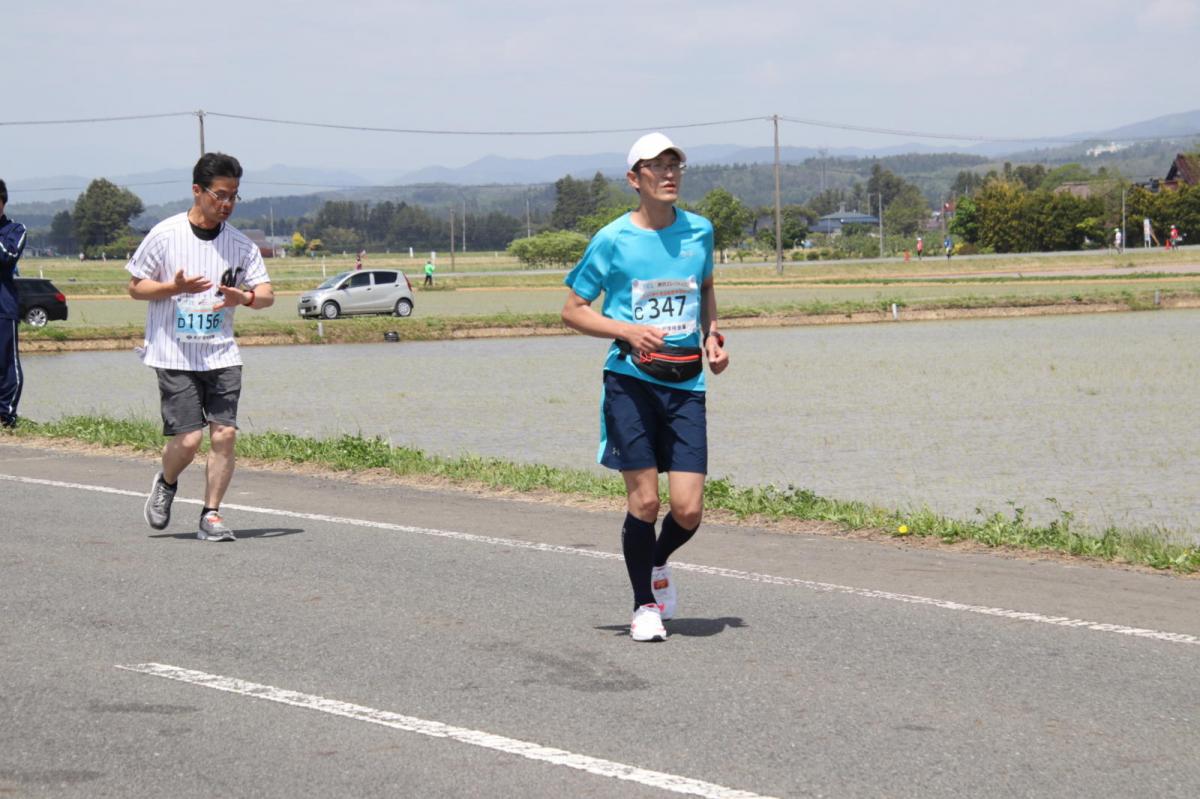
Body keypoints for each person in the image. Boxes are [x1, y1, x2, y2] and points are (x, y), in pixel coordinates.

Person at [561, 132, 729, 643]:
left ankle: (656, 562)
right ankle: (643, 605)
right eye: (656, 167)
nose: (669, 174)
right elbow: (572, 310)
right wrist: (627, 330)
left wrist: (713, 336)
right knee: (645, 504)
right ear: (635, 179)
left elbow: (704, 289)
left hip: (687, 383)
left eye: (675, 165)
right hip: (630, 382)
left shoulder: (700, 231)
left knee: (688, 509)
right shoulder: (613, 239)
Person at [127, 153, 274, 541]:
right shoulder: (165, 234)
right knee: (189, 441)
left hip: (221, 352)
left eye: (233, 196)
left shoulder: (241, 245)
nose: (226, 204)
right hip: (174, 352)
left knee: (224, 434)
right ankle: (167, 481)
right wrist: (173, 288)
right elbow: (135, 287)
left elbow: (266, 295)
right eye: (220, 195)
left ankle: (211, 514)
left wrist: (242, 298)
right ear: (198, 190)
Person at [0, 179, 28, 429]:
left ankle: (5, 414)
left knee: (5, 363)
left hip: (2, 308)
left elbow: (6, 258)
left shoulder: (15, 230)